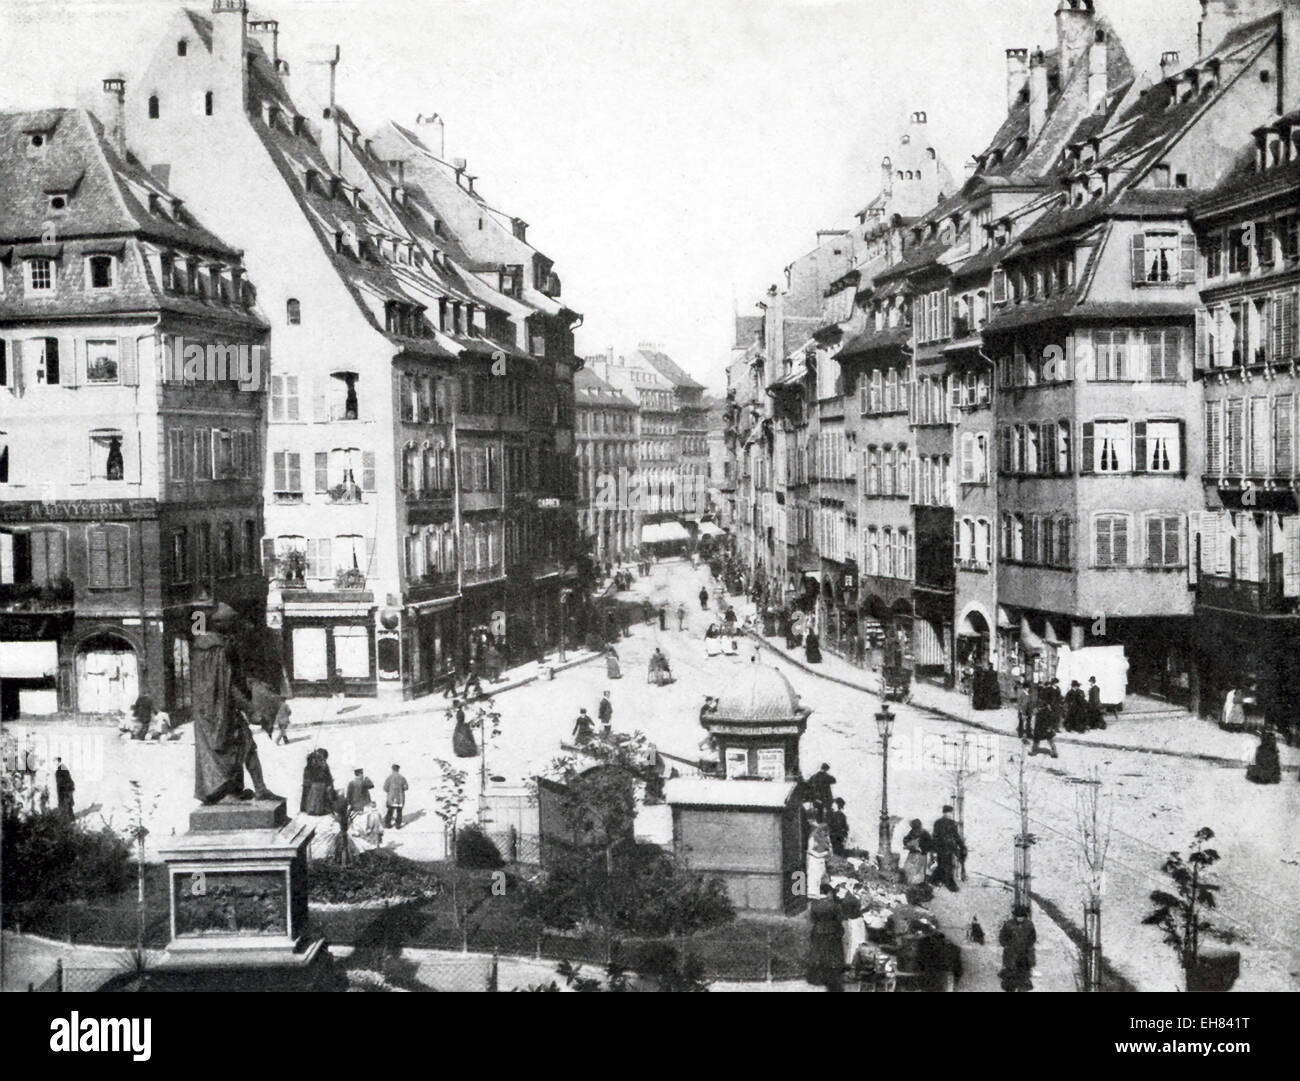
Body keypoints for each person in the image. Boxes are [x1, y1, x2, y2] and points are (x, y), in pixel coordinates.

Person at [192, 602, 281, 804]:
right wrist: (251, 710)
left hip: (222, 707)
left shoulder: (216, 643)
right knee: (225, 749)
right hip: (215, 711)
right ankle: (225, 791)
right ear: (221, 624)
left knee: (248, 744)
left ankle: (261, 789)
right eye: (232, 622)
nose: (235, 626)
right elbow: (226, 686)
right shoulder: (215, 647)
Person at [806, 880, 844, 992]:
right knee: (832, 956)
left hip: (818, 931)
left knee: (818, 954)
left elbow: (812, 919)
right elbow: (839, 920)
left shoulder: (814, 905)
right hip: (832, 932)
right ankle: (831, 979)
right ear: (829, 893)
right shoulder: (834, 905)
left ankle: (817, 978)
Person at [998, 906, 1037, 992]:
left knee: (1022, 980)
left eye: (1022, 916)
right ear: (1015, 916)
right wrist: (1006, 945)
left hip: (1024, 956)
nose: (1020, 918)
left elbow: (1033, 937)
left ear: (1024, 916)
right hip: (1011, 955)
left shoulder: (1029, 925)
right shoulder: (1008, 924)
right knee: (1010, 979)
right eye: (1018, 916)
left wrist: (1028, 946)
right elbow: (1002, 937)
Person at [931, 805, 966, 892]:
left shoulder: (938, 822)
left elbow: (935, 836)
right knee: (948, 866)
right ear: (947, 813)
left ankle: (935, 880)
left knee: (942, 864)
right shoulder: (950, 823)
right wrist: (961, 845)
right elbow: (955, 836)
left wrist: (934, 848)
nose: (950, 814)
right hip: (947, 847)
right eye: (949, 813)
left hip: (942, 847)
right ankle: (951, 885)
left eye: (950, 813)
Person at [300, 748, 336, 816]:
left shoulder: (311, 761)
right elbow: (326, 776)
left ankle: (307, 808)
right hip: (317, 784)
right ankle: (321, 808)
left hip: (310, 783)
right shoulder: (322, 764)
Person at [901, 818, 932, 887]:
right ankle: (911, 885)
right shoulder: (912, 832)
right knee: (908, 869)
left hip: (921, 856)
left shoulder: (924, 833)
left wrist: (921, 848)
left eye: (916, 828)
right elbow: (906, 839)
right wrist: (907, 844)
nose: (915, 830)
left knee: (918, 873)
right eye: (914, 828)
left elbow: (930, 845)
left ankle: (917, 886)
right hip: (912, 855)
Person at [1030, 687, 1060, 758]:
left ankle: (1054, 751)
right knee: (1041, 736)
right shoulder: (1043, 703)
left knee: (1048, 737)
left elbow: (1051, 715)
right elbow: (1036, 710)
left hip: (1044, 722)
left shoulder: (1048, 704)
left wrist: (1051, 726)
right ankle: (1035, 750)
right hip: (1041, 722)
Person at [383, 764, 409, 828]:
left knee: (390, 811)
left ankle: (387, 824)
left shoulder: (389, 778)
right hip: (399, 798)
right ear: (398, 769)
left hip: (391, 798)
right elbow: (406, 787)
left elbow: (385, 788)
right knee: (399, 812)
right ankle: (398, 825)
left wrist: (389, 791)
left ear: (392, 769)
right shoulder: (402, 778)